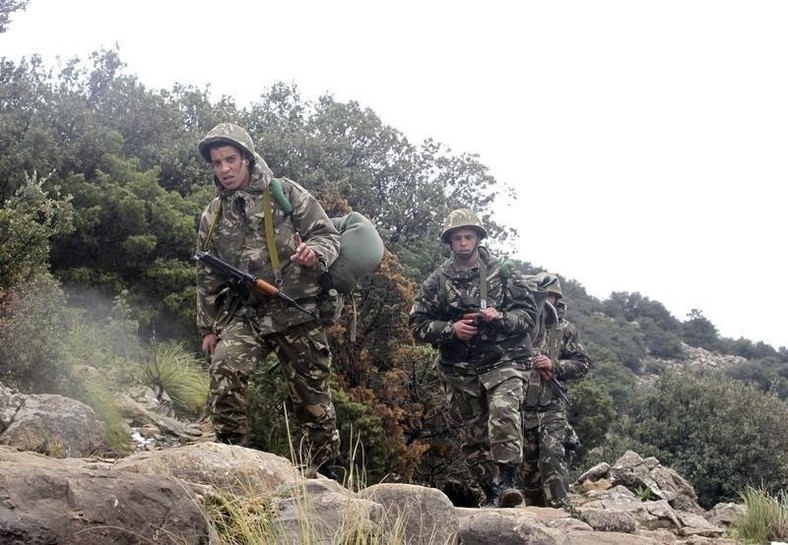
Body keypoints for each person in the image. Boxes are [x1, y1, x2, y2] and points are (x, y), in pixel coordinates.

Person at [195, 122, 341, 477]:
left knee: (312, 398)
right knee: (225, 369)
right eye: (217, 163)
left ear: (246, 158)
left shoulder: (284, 192)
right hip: (249, 313)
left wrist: (315, 254)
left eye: (231, 159)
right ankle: (232, 461)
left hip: (297, 309)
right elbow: (207, 275)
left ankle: (325, 474)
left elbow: (327, 235)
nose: (224, 169)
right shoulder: (213, 214)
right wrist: (208, 327)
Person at [409, 208, 539, 508]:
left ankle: (507, 481)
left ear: (478, 238)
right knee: (473, 434)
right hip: (460, 369)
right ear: (449, 242)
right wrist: (451, 329)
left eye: (468, 236)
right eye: (457, 238)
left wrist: (501, 318)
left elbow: (528, 315)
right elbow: (417, 324)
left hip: (505, 359)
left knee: (504, 411)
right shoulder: (437, 280)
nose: (464, 243)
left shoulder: (503, 272)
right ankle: (491, 492)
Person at [520, 272, 591, 510]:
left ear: (556, 298)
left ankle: (562, 512)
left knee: (552, 457)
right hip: (522, 408)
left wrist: (554, 365)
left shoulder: (565, 329)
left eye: (549, 295)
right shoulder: (521, 325)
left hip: (552, 407)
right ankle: (538, 516)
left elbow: (583, 364)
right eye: (539, 295)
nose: (544, 300)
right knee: (528, 469)